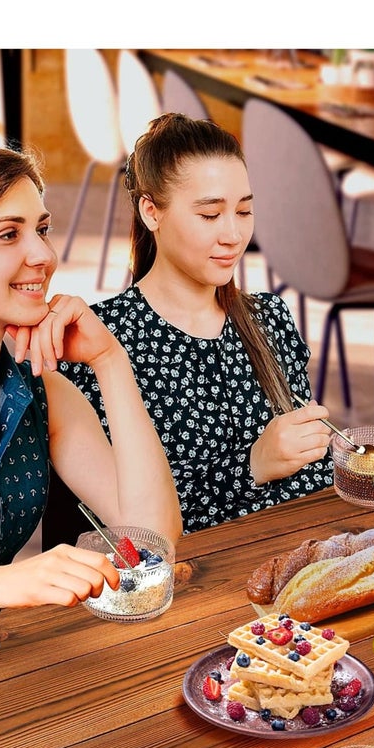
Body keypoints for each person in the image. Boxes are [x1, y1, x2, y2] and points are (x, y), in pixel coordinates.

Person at [0, 137, 182, 655]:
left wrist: (109, 362)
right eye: (8, 235)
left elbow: (152, 540)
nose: (44, 256)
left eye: (43, 229)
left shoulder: (36, 391)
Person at [59, 113, 333, 533]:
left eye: (244, 212)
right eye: (210, 215)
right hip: (200, 584)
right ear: (151, 211)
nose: (233, 235)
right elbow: (132, 530)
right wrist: (253, 466)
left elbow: (312, 478)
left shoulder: (268, 318)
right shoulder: (97, 341)